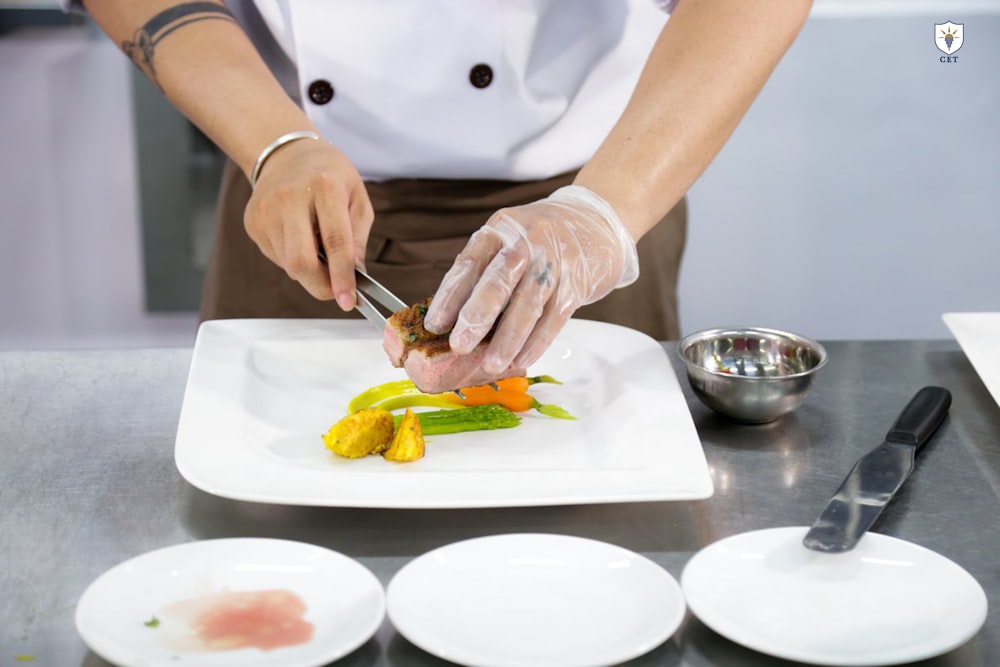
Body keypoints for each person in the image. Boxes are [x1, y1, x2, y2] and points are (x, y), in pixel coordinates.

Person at [72, 0, 811, 375]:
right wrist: (275, 140)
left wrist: (599, 215)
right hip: (302, 202)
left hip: (590, 199)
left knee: (582, 560)